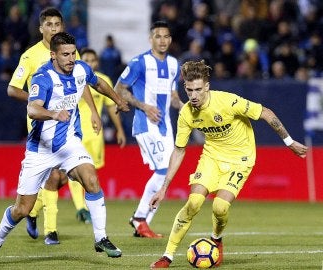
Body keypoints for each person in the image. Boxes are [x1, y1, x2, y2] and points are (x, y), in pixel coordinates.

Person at [0, 31, 129, 266]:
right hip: (41, 149)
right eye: (65, 55)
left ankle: (101, 238)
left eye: (73, 53)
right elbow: (32, 109)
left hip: (69, 143)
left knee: (91, 179)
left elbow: (98, 83)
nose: (71, 59)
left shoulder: (80, 69)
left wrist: (118, 99)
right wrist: (53, 114)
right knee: (22, 209)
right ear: (53, 55)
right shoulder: (43, 77)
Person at [149, 60, 308, 268]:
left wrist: (289, 142)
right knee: (194, 203)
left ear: (207, 86)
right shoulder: (187, 113)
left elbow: (266, 113)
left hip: (240, 159)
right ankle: (167, 256)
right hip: (212, 157)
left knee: (220, 206)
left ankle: (216, 238)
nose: (194, 95)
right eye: (189, 90)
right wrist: (164, 188)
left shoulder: (228, 102)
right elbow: (179, 150)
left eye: (198, 89)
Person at [7, 7, 93, 245]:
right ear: (41, 28)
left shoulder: (68, 53)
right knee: (53, 177)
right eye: (49, 25)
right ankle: (50, 231)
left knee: (65, 177)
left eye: (58, 25)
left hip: (69, 124)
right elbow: (12, 89)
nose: (54, 28)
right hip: (42, 128)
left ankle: (33, 213)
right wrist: (37, 101)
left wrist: (94, 112)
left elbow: (83, 82)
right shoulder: (30, 56)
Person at [114, 21, 183, 238]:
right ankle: (139, 218)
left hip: (166, 127)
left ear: (170, 40)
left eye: (166, 36)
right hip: (145, 124)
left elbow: (173, 97)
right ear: (150, 38)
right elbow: (120, 89)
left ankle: (143, 224)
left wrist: (186, 108)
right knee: (163, 170)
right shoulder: (139, 62)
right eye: (158, 36)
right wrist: (144, 107)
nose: (162, 40)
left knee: (168, 174)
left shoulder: (174, 64)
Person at [68, 47, 126, 219]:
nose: (90, 63)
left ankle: (86, 207)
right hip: (75, 133)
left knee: (90, 173)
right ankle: (80, 208)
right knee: (74, 170)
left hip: (95, 134)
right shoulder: (73, 79)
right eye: (86, 59)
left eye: (93, 60)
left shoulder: (102, 80)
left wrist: (120, 130)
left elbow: (110, 108)